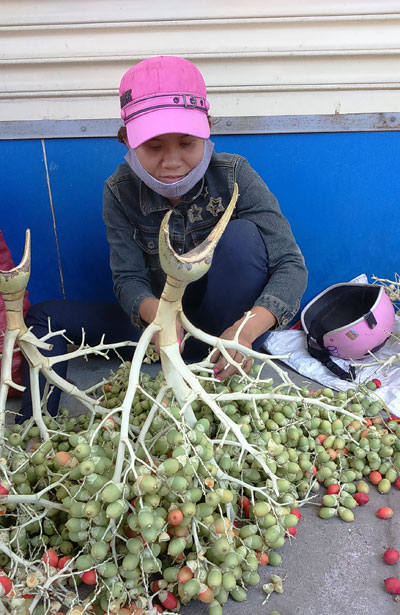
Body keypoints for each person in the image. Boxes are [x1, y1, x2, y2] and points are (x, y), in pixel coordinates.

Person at [17, 54, 307, 420]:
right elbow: (128, 279)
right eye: (154, 146)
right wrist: (158, 319)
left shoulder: (234, 176)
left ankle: (222, 359)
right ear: (126, 140)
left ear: (208, 130)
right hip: (161, 330)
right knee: (44, 317)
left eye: (187, 143)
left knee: (242, 236)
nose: (172, 161)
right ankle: (34, 435)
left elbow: (290, 265)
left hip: (228, 333)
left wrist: (245, 331)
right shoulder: (119, 192)